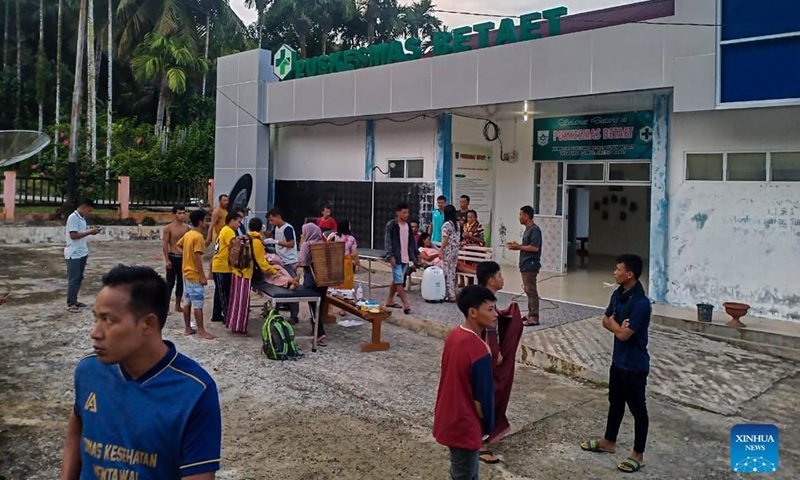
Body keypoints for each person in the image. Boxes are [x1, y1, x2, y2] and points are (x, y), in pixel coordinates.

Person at [58, 265, 222, 479]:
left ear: (148, 323)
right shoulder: (89, 371)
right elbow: (77, 428)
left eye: (108, 320)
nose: (95, 333)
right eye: (96, 318)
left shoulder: (194, 391)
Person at [580, 254, 651, 474]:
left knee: (638, 409)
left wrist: (614, 324)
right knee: (615, 402)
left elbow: (624, 335)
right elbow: (606, 320)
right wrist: (616, 324)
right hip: (618, 362)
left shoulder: (641, 303)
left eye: (618, 269)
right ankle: (609, 441)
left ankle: (638, 454)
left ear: (629, 274)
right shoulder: (618, 294)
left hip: (635, 365)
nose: (614, 273)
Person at [433, 285, 497, 480]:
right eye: (490, 309)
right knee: (466, 475)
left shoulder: (454, 336)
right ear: (473, 312)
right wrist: (487, 428)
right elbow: (483, 399)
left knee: (459, 472)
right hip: (465, 425)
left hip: (448, 417)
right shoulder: (479, 350)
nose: (495, 314)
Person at [476, 261, 524, 463]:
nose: (502, 279)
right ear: (491, 280)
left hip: (480, 353)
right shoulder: (484, 302)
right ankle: (478, 440)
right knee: (483, 395)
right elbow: (489, 330)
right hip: (483, 356)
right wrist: (495, 353)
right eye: (500, 275)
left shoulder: (483, 298)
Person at [226, 218, 282, 335]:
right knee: (242, 302)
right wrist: (274, 271)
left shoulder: (244, 238)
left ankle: (232, 324)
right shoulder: (256, 242)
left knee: (235, 300)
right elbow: (262, 262)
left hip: (236, 271)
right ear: (260, 228)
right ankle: (239, 328)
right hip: (246, 273)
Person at [176, 209, 215, 339]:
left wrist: (187, 256)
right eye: (205, 220)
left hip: (186, 273)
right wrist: (202, 276)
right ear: (200, 221)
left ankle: (188, 327)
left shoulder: (188, 234)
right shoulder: (198, 237)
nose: (207, 223)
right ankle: (201, 330)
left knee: (187, 302)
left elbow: (178, 245)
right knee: (198, 304)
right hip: (194, 274)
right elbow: (198, 258)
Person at [65, 199, 102, 313]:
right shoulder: (73, 218)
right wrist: (90, 232)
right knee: (73, 279)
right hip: (74, 253)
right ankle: (71, 303)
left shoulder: (81, 219)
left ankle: (74, 300)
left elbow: (80, 234)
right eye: (89, 210)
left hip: (82, 252)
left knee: (79, 278)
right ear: (84, 206)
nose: (88, 213)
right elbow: (73, 235)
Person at [507, 206, 542, 327]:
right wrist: (518, 246)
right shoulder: (528, 230)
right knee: (528, 290)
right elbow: (528, 246)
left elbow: (535, 247)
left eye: (521, 214)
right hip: (525, 264)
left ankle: (534, 317)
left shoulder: (534, 230)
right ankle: (530, 313)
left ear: (526, 216)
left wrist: (519, 247)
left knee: (531, 290)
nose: (519, 217)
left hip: (531, 264)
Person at [298, 223, 329, 346]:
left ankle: (320, 333)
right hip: (324, 278)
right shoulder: (323, 244)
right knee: (320, 306)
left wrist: (302, 244)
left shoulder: (307, 245)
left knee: (313, 306)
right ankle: (316, 329)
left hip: (311, 279)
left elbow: (303, 262)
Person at [267, 208, 300, 324]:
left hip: (289, 262)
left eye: (272, 220)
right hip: (280, 261)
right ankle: (275, 312)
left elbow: (291, 244)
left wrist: (276, 242)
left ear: (278, 217)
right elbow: (270, 235)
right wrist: (263, 231)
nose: (271, 222)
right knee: (279, 286)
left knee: (292, 287)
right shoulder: (277, 228)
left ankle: (294, 315)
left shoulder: (287, 228)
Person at [384, 202, 418, 315]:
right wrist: (390, 256)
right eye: (404, 212)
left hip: (405, 256)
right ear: (398, 213)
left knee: (397, 279)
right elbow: (388, 241)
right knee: (399, 281)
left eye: (407, 212)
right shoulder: (391, 225)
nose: (406, 215)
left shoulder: (408, 225)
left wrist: (416, 255)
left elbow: (412, 241)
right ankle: (405, 304)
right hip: (396, 257)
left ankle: (389, 300)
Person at [210, 210, 243, 324]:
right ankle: (227, 316)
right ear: (232, 220)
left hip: (220, 266)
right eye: (238, 222)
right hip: (222, 267)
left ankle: (216, 314)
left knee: (219, 292)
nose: (239, 225)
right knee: (224, 293)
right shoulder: (229, 231)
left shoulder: (225, 229)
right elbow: (235, 248)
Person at [162, 204, 190, 313]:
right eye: (179, 213)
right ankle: (166, 306)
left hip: (183, 258)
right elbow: (165, 244)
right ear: (174, 214)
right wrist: (167, 259)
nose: (182, 215)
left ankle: (177, 305)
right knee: (170, 283)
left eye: (183, 213)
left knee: (181, 283)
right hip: (173, 257)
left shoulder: (187, 228)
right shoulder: (168, 228)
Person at [438, 205, 461, 302]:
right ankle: (452, 293)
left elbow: (445, 239)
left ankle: (448, 293)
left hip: (448, 250)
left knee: (446, 271)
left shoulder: (446, 225)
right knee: (452, 271)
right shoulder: (457, 224)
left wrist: (441, 250)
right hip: (455, 250)